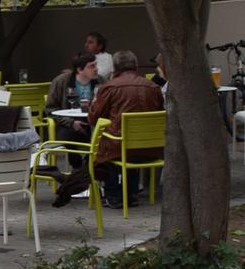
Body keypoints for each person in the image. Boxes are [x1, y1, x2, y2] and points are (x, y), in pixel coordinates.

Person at [50, 50, 164, 208]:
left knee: (104, 143)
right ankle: (131, 194)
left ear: (115, 67)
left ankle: (113, 195)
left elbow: (93, 118)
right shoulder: (153, 87)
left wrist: (96, 102)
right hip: (151, 148)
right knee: (130, 140)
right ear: (136, 66)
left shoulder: (110, 87)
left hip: (119, 148)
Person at [46, 54, 101, 147]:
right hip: (68, 123)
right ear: (79, 70)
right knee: (67, 136)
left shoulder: (101, 81)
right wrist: (71, 123)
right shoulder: (61, 82)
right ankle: (75, 160)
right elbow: (50, 109)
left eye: (96, 65)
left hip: (93, 122)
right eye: (91, 66)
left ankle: (90, 160)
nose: (96, 69)